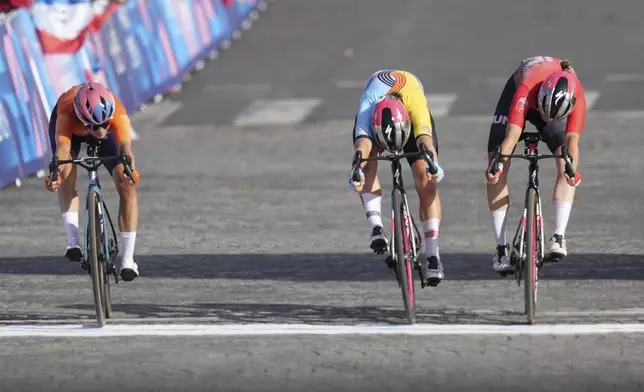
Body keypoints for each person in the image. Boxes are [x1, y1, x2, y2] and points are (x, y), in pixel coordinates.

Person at [485, 56, 584, 273]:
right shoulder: (527, 88)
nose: (545, 118)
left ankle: (558, 236)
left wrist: (571, 171)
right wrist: (498, 166)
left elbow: (572, 141)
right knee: (497, 162)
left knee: (566, 162)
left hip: (549, 102)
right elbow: (511, 137)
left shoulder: (577, 94)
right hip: (519, 97)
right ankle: (501, 247)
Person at [348, 69, 445, 286]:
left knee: (426, 179)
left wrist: (434, 167)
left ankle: (433, 255)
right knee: (367, 162)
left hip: (408, 110)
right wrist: (357, 170)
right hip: (378, 113)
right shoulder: (368, 106)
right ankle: (376, 227)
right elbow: (362, 144)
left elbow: (426, 140)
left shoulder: (415, 104)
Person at [45, 82, 140, 281]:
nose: (100, 130)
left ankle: (128, 260)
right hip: (72, 131)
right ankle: (73, 242)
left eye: (105, 124)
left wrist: (130, 170)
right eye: (95, 127)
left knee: (127, 185)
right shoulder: (66, 111)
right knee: (66, 173)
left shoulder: (117, 113)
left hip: (98, 122)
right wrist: (57, 173)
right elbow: (62, 147)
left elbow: (125, 147)